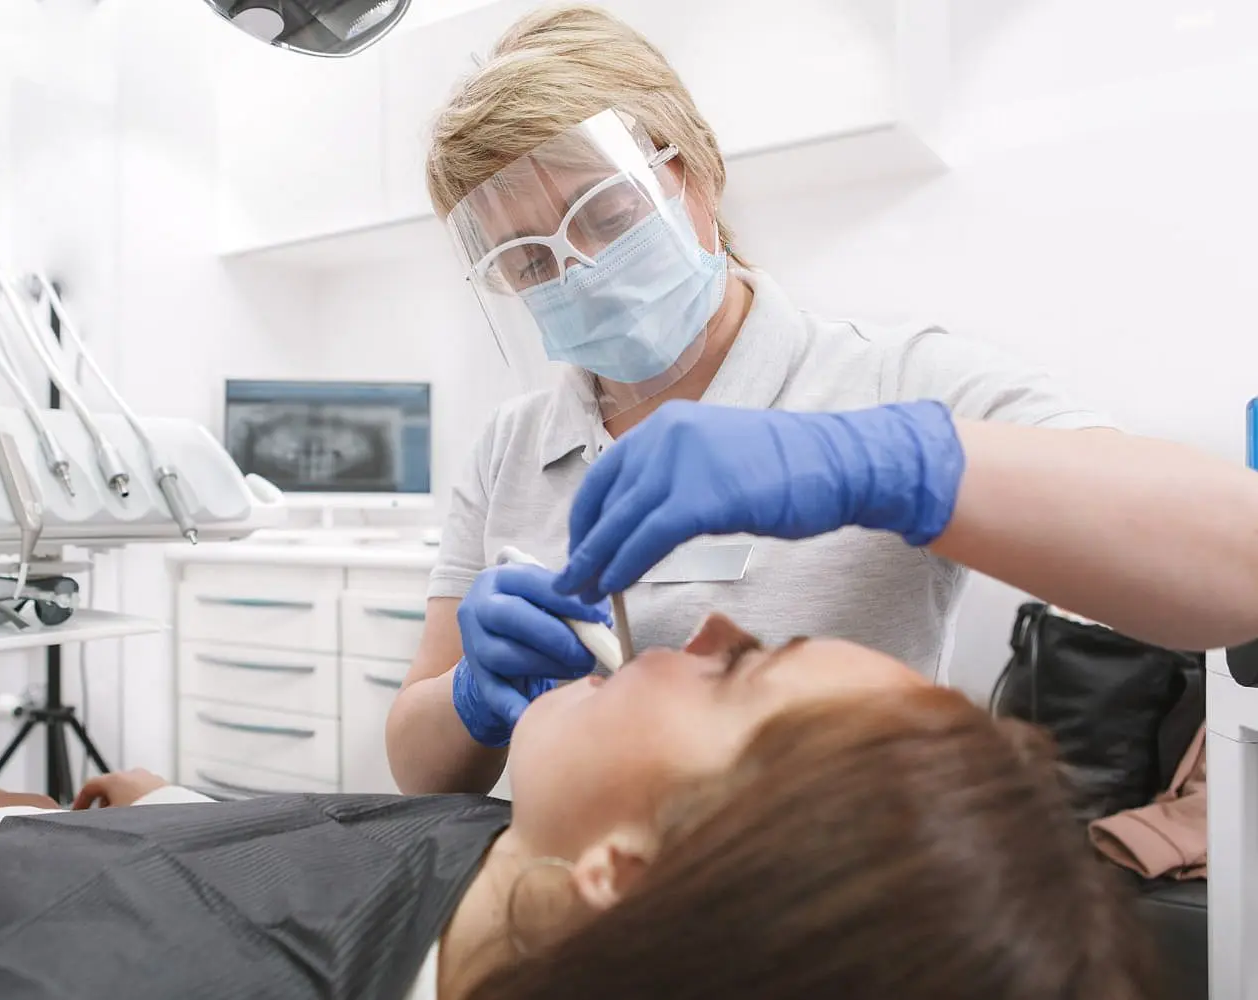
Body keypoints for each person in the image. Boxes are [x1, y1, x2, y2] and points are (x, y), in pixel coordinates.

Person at [385, 4, 1258, 794]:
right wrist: (468, 699)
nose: (578, 272)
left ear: (696, 172)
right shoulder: (513, 445)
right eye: (530, 260)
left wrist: (886, 463)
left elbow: (1242, 564)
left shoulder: (894, 381)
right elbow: (420, 772)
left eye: (607, 217)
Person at [0, 617, 1157, 1000]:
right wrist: (179, 810)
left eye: (735, 674)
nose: (683, 636)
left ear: (624, 870)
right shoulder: (544, 869)